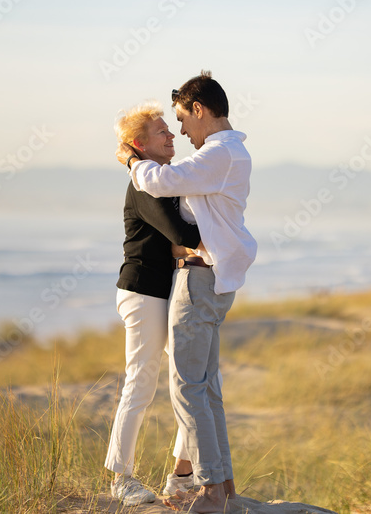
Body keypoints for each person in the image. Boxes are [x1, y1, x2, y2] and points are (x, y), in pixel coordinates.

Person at [117, 71, 258, 513]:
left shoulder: (218, 153)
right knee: (205, 387)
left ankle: (210, 489)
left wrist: (131, 160)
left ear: (199, 110)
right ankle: (222, 486)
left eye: (180, 120)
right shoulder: (231, 153)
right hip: (203, 280)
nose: (179, 132)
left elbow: (162, 184)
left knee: (188, 388)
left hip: (199, 280)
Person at [107, 101, 203, 506]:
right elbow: (181, 234)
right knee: (141, 383)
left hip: (169, 291)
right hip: (143, 292)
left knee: (195, 380)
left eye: (169, 128)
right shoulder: (144, 182)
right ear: (139, 144)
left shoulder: (165, 178)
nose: (171, 135)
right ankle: (120, 478)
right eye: (161, 131)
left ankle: (182, 476)